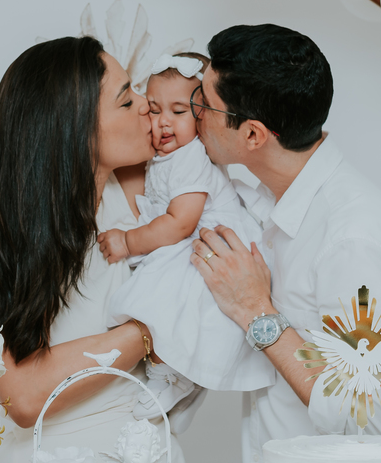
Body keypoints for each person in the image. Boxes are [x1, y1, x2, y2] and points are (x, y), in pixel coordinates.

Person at [0, 36, 214, 463]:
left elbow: (188, 109)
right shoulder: (18, 237)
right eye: (127, 100)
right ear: (72, 129)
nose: (146, 110)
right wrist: (146, 334)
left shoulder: (141, 192)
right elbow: (23, 394)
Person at [187, 24, 381, 463]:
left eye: (204, 103)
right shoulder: (263, 199)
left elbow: (373, 416)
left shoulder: (351, 238)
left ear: (254, 134)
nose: (194, 113)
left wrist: (256, 313)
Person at [98, 52, 274, 420]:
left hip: (208, 244)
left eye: (178, 112)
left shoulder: (191, 157)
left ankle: (173, 376)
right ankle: (178, 375)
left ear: (202, 116)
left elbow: (180, 222)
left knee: (166, 304)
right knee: (165, 308)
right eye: (155, 108)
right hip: (187, 242)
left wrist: (128, 243)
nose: (163, 122)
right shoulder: (167, 156)